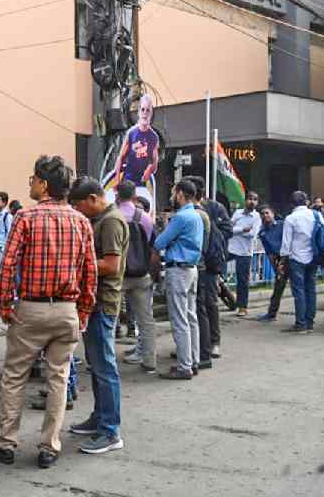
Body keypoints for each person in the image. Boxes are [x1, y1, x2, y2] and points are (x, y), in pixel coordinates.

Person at [0, 155, 97, 470]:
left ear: (44, 184)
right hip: (67, 311)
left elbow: (8, 265)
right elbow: (90, 272)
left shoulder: (25, 217)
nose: (30, 184)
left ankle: (7, 441)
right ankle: (50, 445)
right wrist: (84, 312)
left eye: (33, 179)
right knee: (58, 379)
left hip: (31, 309)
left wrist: (6, 304)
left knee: (14, 376)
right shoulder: (80, 221)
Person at [68, 177, 128, 455]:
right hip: (92, 302)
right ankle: (99, 417)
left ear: (93, 199)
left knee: (105, 367)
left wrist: (77, 264)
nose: (79, 212)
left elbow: (111, 264)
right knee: (95, 365)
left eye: (80, 206)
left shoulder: (111, 221)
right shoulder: (100, 219)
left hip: (103, 303)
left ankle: (110, 430)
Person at [154, 179, 204, 380]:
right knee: (191, 317)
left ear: (181, 194)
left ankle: (184, 366)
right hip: (191, 269)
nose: (172, 196)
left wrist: (166, 226)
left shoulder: (181, 217)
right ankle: (193, 360)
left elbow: (159, 242)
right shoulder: (196, 215)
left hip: (179, 270)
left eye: (174, 192)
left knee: (180, 319)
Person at [184, 176, 232, 360]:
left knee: (209, 303)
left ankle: (214, 342)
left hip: (209, 264)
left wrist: (209, 234)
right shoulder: (187, 209)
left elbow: (228, 230)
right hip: (192, 263)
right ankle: (193, 345)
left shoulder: (214, 208)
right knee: (193, 306)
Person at [116, 181, 158, 373]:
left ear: (117, 194)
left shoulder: (112, 216)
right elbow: (152, 244)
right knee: (146, 320)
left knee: (108, 319)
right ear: (134, 196)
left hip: (117, 275)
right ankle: (149, 362)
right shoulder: (145, 218)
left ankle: (104, 364)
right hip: (142, 275)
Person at [281, 191, 324, 334]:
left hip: (296, 259)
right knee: (310, 289)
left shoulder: (291, 218)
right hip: (313, 257)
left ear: (292, 204)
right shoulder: (317, 215)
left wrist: (282, 260)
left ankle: (301, 324)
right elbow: (323, 233)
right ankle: (310, 323)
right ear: (306, 202)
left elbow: (286, 244)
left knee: (299, 291)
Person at [112, 94, 159, 207]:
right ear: (138, 112)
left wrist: (149, 169)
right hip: (127, 181)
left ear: (151, 114)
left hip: (142, 185)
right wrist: (117, 181)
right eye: (142, 109)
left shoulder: (154, 137)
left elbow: (155, 163)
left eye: (148, 110)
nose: (145, 113)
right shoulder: (131, 133)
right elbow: (121, 158)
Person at [228, 192, 261, 317]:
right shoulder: (237, 213)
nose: (252, 201)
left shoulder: (257, 217)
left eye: (254, 199)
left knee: (242, 280)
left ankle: (242, 307)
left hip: (245, 251)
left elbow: (252, 234)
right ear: (245, 200)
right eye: (250, 199)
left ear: (257, 202)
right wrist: (242, 229)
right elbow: (229, 228)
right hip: (231, 248)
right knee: (216, 266)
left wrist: (238, 230)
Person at [256, 205, 288, 322]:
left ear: (273, 214)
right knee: (278, 288)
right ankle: (271, 314)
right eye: (262, 214)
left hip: (289, 257)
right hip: (277, 259)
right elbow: (269, 252)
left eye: (267, 213)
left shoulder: (282, 225)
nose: (265, 216)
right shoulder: (263, 232)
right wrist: (276, 268)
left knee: (298, 288)